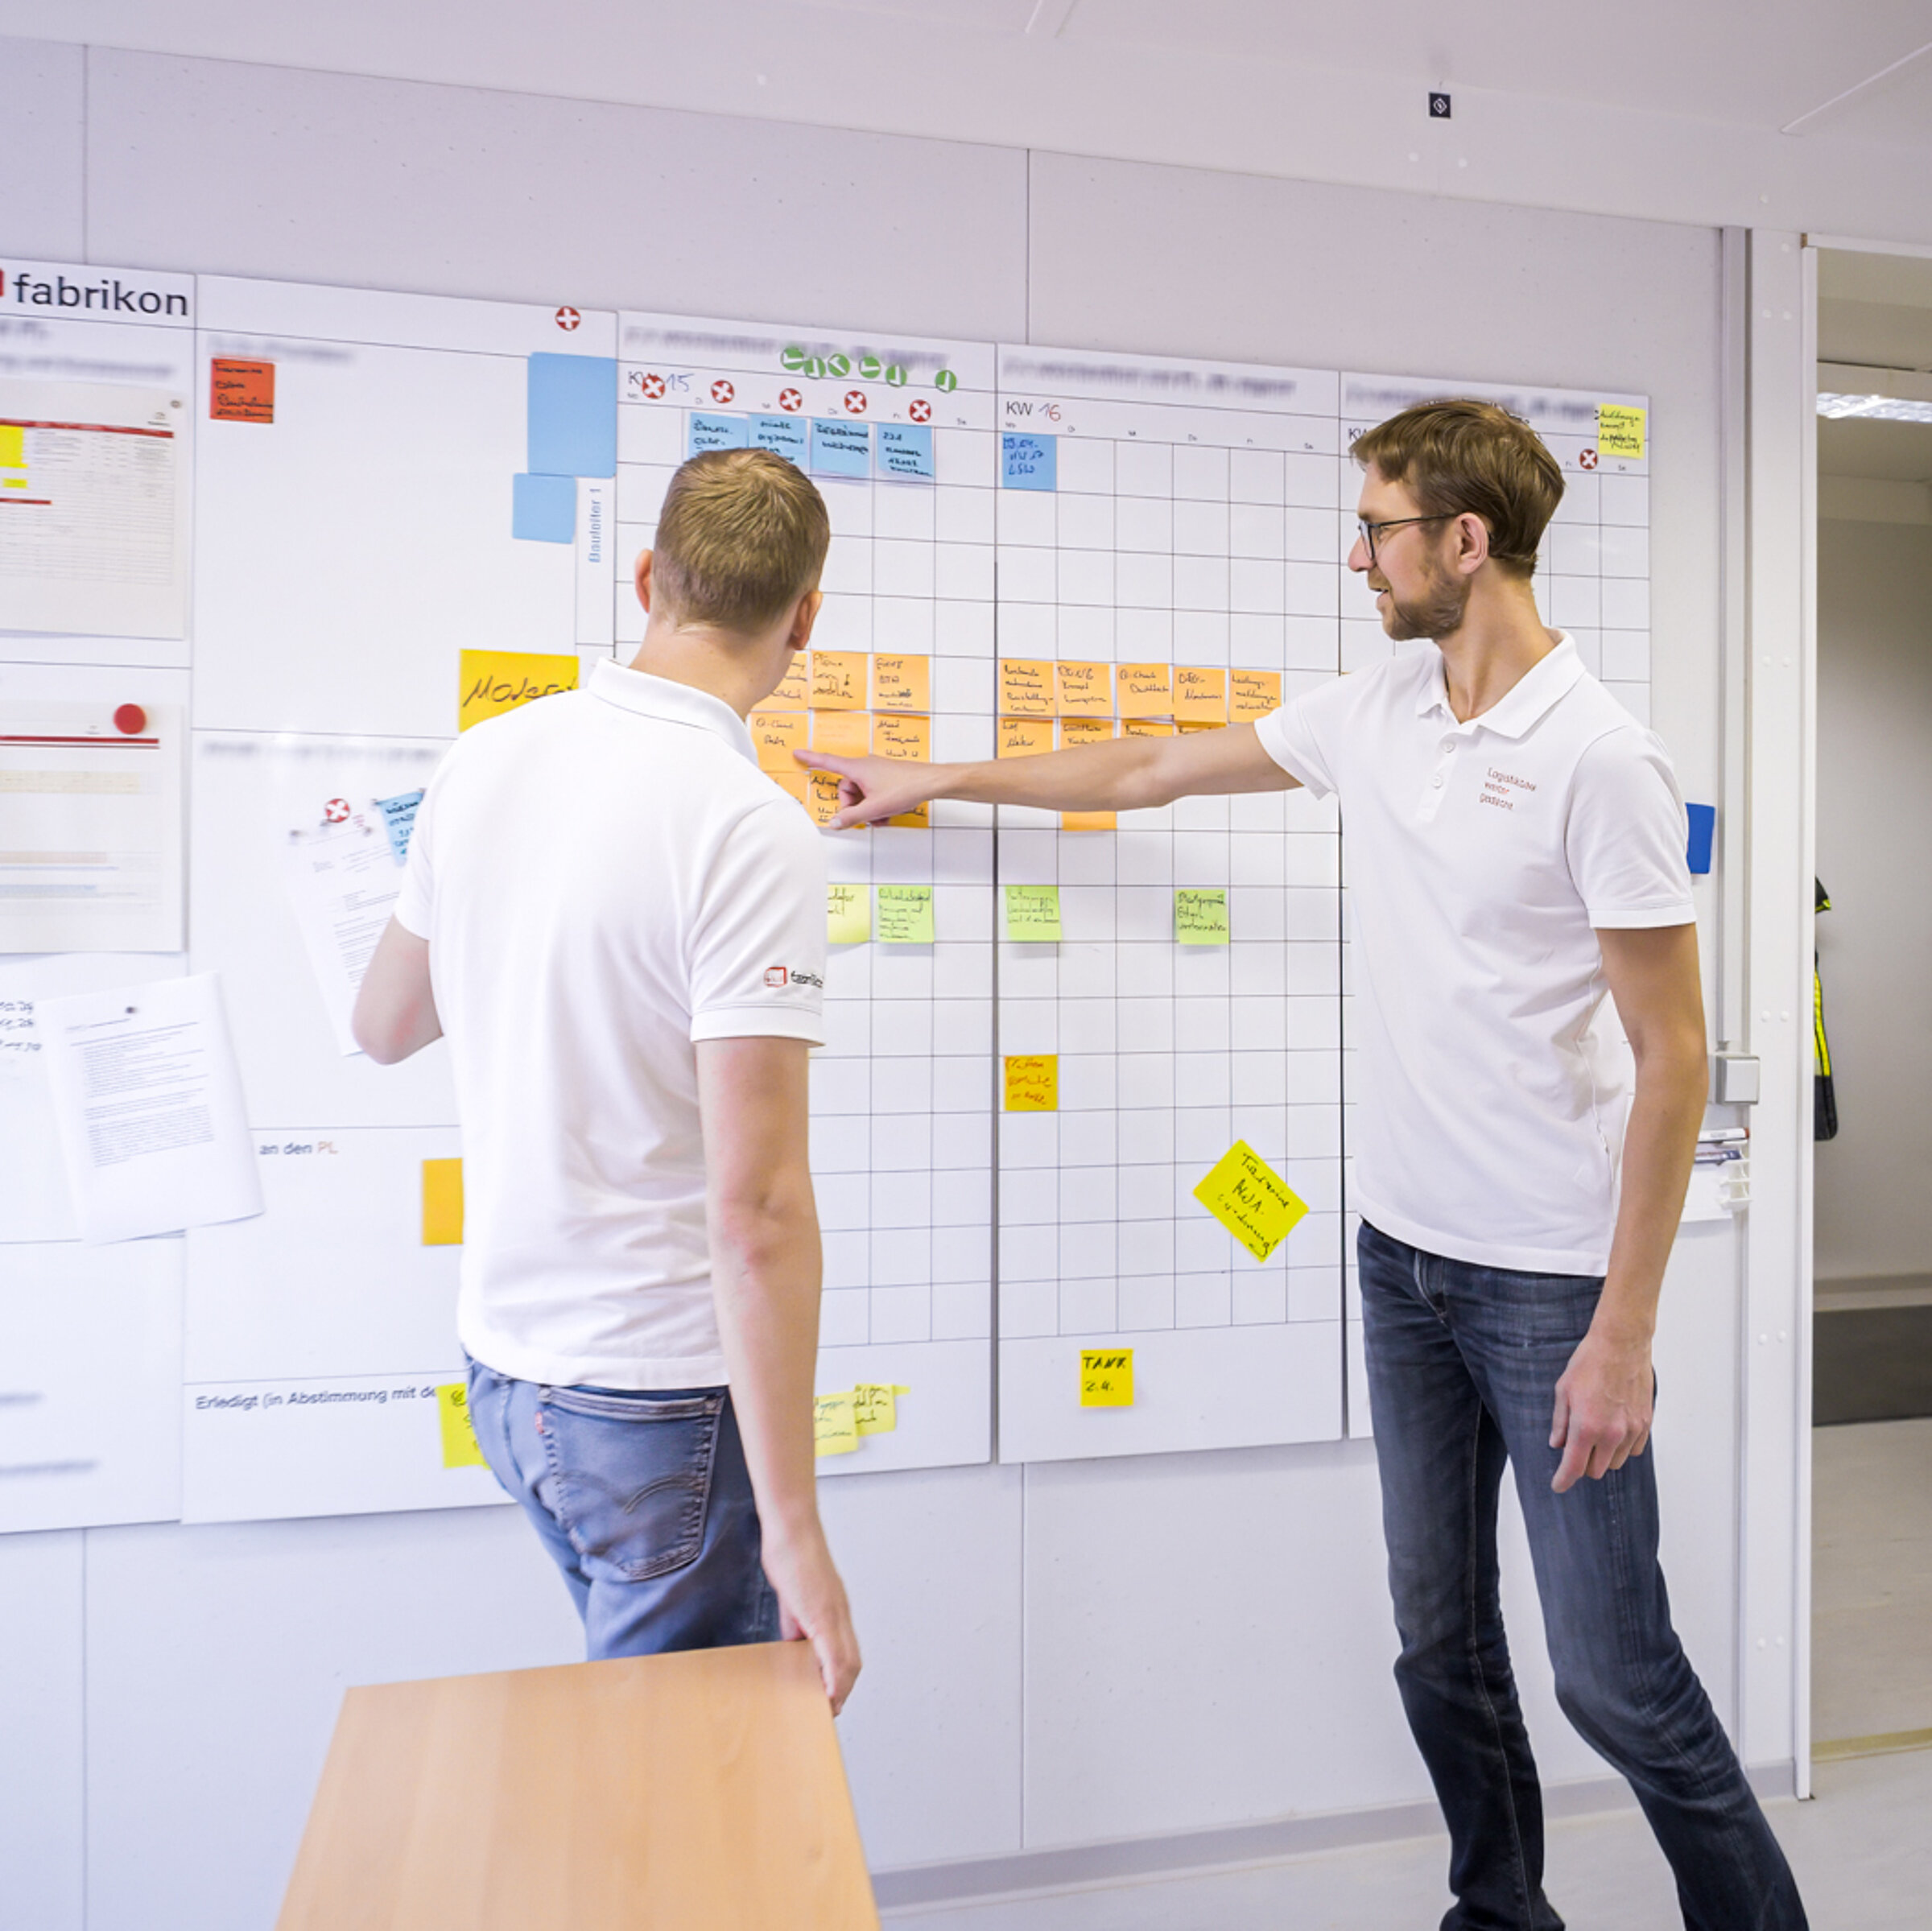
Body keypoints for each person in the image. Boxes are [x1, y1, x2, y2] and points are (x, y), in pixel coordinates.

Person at [803, 399, 1804, 1926]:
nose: (1358, 559)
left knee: (1616, 1679)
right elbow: (1150, 769)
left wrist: (1624, 1332)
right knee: (1438, 1645)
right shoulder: (1384, 704)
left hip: (1554, 1286)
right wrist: (931, 778)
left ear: (1465, 541)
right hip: (1404, 1261)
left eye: (1378, 529)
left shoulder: (1605, 761)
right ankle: (1500, 1912)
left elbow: (1673, 1057)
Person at [353, 446, 861, 1713]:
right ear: (804, 617)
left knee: (639, 1760)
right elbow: (758, 1211)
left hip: (510, 1377)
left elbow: (385, 1023)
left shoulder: (486, 759)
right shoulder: (747, 826)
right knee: (686, 1780)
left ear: (647, 578)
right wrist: (797, 1528)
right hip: (656, 1403)